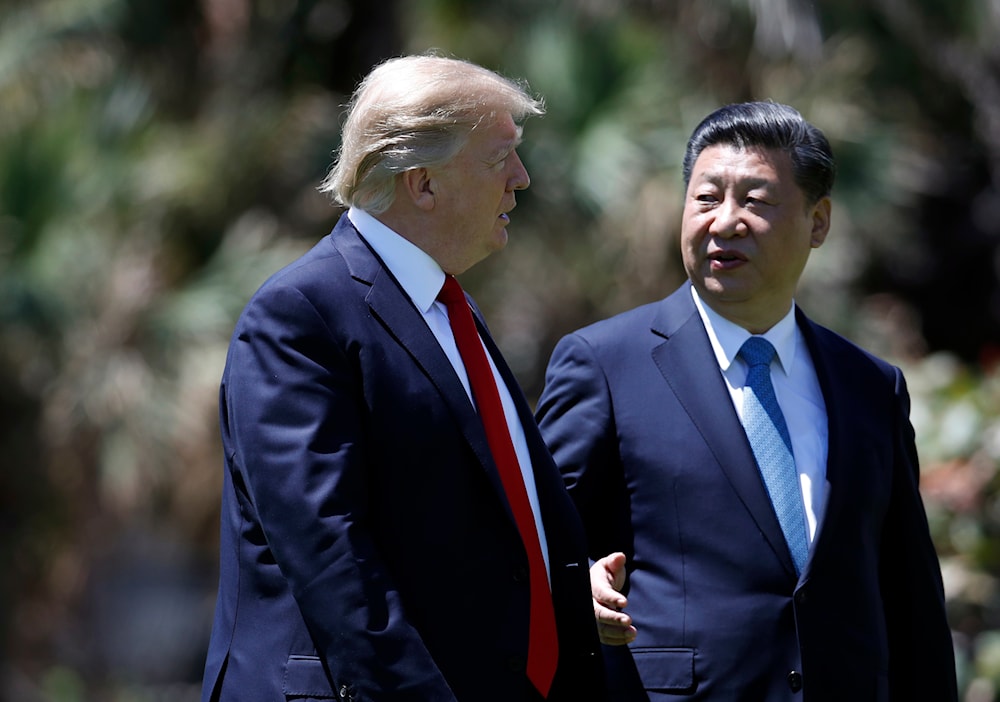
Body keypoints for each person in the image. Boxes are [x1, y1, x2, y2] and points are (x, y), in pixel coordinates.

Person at [200, 54, 604, 702]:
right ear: (422, 183)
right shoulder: (298, 318)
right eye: (501, 159)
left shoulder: (452, 310)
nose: (522, 180)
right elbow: (334, 561)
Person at [535, 101, 957, 701]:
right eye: (706, 198)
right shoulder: (603, 364)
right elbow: (532, 546)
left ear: (818, 223)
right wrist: (575, 592)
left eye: (755, 201)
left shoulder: (871, 386)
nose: (724, 221)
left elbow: (910, 596)